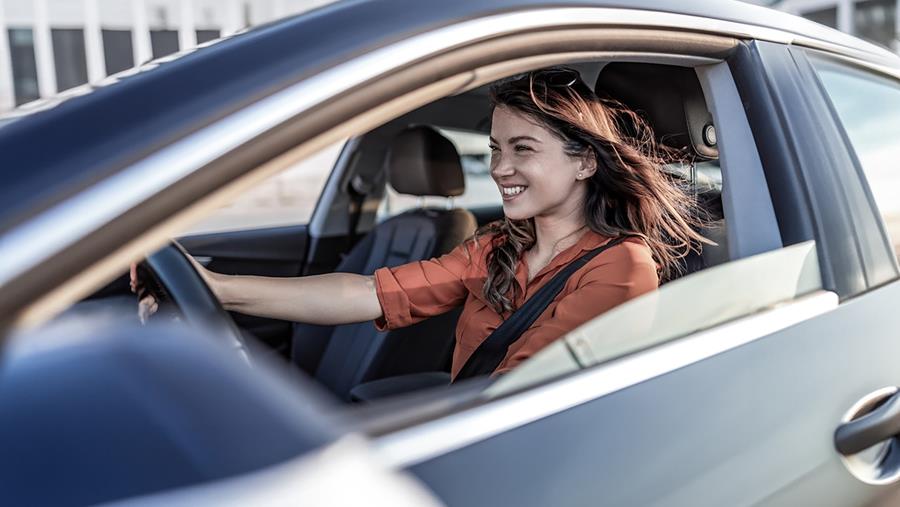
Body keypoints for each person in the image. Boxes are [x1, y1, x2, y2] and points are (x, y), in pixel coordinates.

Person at [133, 67, 708, 380]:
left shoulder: (621, 267)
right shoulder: (498, 246)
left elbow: (517, 398)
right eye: (495, 148)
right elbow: (367, 293)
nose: (500, 168)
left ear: (585, 161)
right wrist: (219, 289)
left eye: (523, 149)